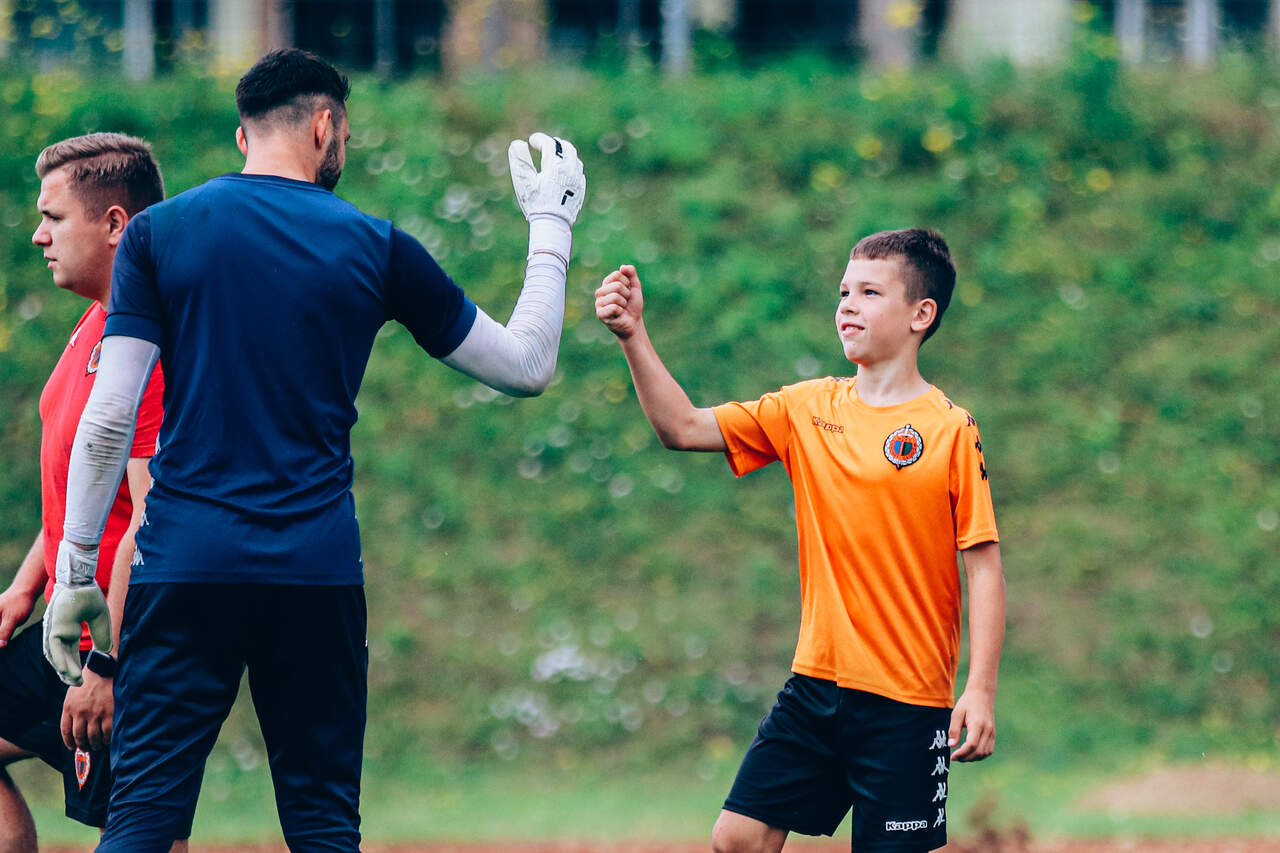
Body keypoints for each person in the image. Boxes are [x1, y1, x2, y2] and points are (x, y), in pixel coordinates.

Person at [42, 48, 585, 852]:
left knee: (144, 821)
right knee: (324, 826)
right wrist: (550, 226)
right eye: (347, 136)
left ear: (242, 137)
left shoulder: (158, 233)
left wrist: (77, 571)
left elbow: (111, 414)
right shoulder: (376, 245)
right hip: (314, 568)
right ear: (325, 126)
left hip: (186, 561)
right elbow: (527, 365)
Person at [595, 229, 1005, 853]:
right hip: (817, 684)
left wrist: (979, 689)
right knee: (738, 838)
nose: (848, 305)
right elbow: (682, 427)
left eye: (870, 293)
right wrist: (633, 335)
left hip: (906, 700)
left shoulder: (950, 429)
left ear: (921, 314)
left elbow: (984, 568)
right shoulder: (806, 409)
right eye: (844, 292)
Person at [0, 134, 186, 851]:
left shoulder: (149, 351)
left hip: (116, 644)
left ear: (115, 225)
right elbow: (83, 491)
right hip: (63, 630)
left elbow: (151, 521)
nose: (37, 235)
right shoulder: (96, 322)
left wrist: (107, 666)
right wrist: (25, 587)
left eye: (53, 217)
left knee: (142, 835)